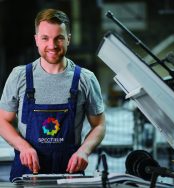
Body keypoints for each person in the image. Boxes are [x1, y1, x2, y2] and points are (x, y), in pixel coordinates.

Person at [0, 8, 105, 182]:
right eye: (45, 38)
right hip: (27, 171)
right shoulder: (19, 76)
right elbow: (2, 120)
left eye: (59, 38)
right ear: (36, 40)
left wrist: (84, 151)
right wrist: (23, 147)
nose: (52, 45)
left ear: (68, 39)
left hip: (70, 172)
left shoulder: (86, 79)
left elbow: (99, 125)